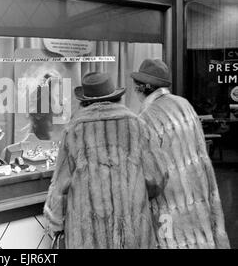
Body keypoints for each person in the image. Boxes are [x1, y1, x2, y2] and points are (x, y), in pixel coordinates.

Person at [44, 72, 167, 249]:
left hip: (87, 236)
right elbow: (157, 176)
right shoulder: (137, 125)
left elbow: (60, 187)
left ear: (84, 101)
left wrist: (56, 223)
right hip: (133, 231)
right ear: (115, 97)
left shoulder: (74, 130)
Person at [131, 59, 230, 249]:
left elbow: (152, 176)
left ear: (142, 88)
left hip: (167, 207)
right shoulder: (185, 105)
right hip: (198, 197)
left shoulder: (146, 117)